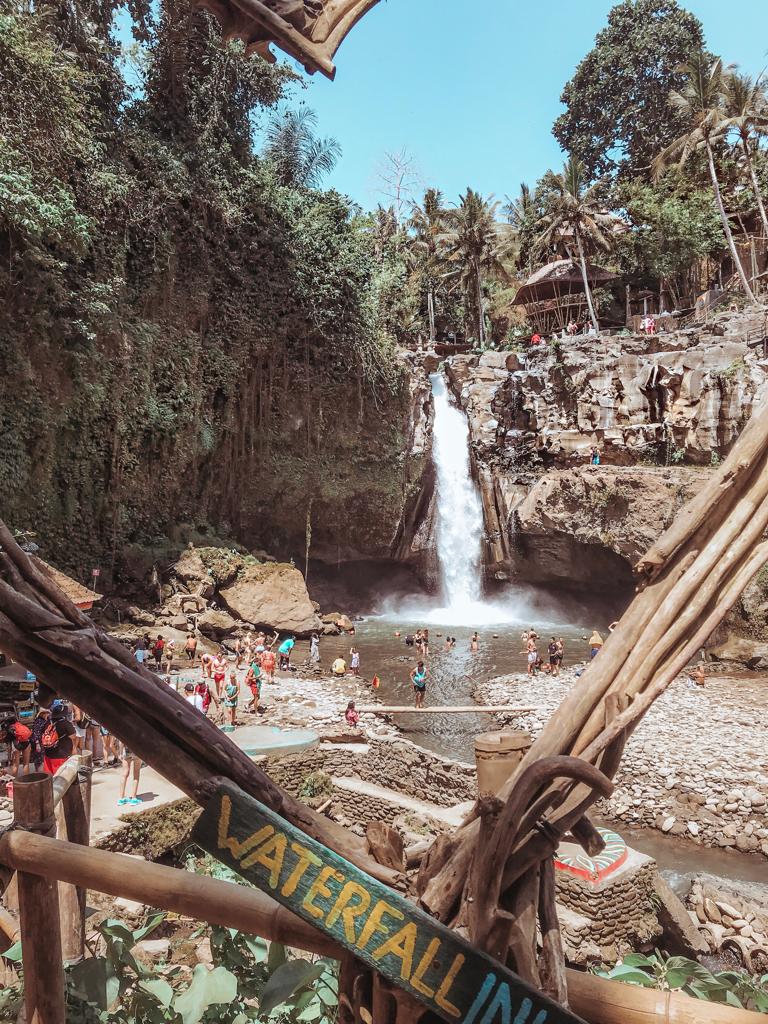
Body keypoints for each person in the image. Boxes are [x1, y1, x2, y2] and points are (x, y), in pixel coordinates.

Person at [41, 702, 77, 775]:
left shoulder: (47, 723)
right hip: (61, 755)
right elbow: (73, 737)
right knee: (60, 777)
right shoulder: (66, 724)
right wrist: (74, 749)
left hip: (48, 754)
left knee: (50, 778)